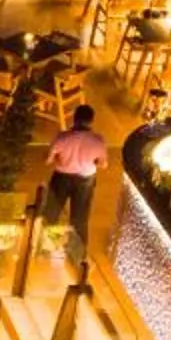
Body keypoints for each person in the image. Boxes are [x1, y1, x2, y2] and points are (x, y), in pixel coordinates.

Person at [45, 105, 108, 251]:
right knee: (80, 217)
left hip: (61, 177)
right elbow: (103, 164)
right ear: (91, 121)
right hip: (85, 180)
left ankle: (44, 246)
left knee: (51, 213)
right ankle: (77, 252)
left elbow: (48, 160)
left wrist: (58, 160)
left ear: (74, 119)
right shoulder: (98, 141)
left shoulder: (62, 137)